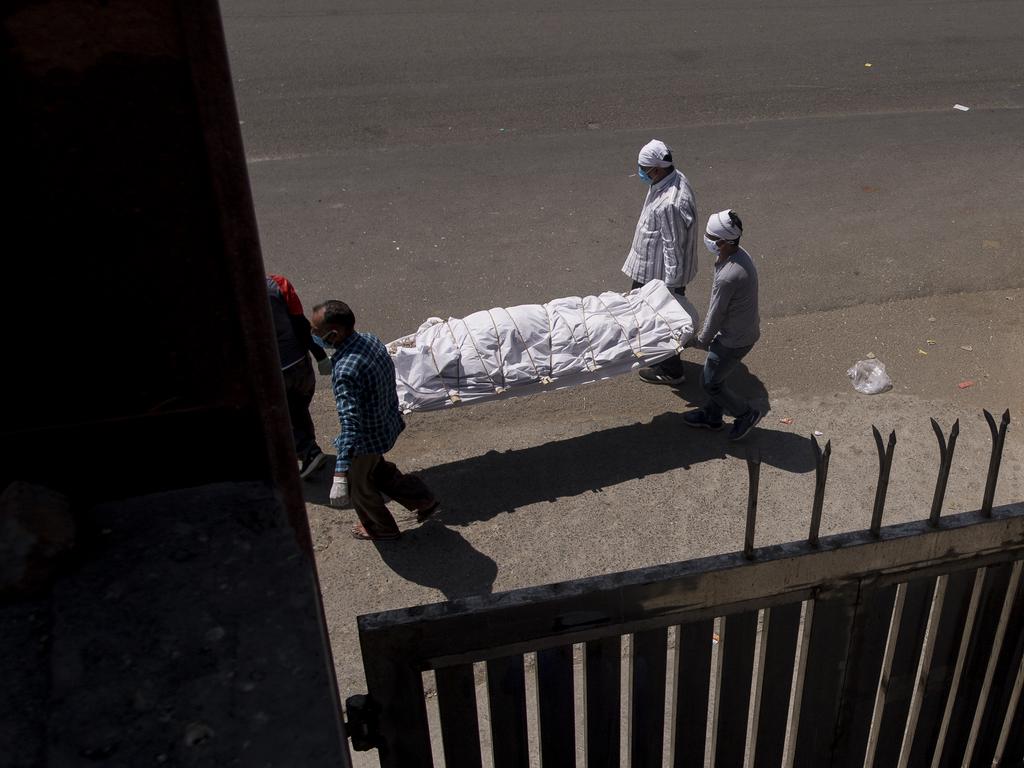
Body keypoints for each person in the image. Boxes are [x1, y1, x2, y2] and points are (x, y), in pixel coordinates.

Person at [311, 300, 439, 541]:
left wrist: (340, 473)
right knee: (379, 471)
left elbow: (350, 424)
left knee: (360, 488)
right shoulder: (370, 339)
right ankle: (423, 499)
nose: (314, 336)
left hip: (365, 439)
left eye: (317, 332)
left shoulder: (345, 371)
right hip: (386, 424)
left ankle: (381, 527)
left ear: (334, 333)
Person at [621, 138, 700, 386]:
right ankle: (659, 356)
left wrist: (669, 290)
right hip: (650, 268)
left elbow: (673, 247)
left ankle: (671, 370)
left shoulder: (670, 203)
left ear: (656, 169)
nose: (641, 174)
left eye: (644, 170)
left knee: (661, 320)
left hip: (659, 276)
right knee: (648, 317)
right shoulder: (671, 179)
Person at [684, 210, 763, 441]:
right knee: (718, 376)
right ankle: (712, 416)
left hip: (733, 340)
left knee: (710, 383)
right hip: (742, 331)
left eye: (710, 236)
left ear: (723, 242)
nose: (706, 239)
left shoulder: (728, 275)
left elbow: (716, 313)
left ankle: (746, 414)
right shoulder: (738, 255)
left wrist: (699, 341)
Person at [266, 274, 331, 478]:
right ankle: (311, 455)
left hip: (272, 374)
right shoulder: (278, 283)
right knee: (298, 411)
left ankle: (308, 451)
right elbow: (301, 324)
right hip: (300, 366)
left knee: (273, 421)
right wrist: (320, 356)